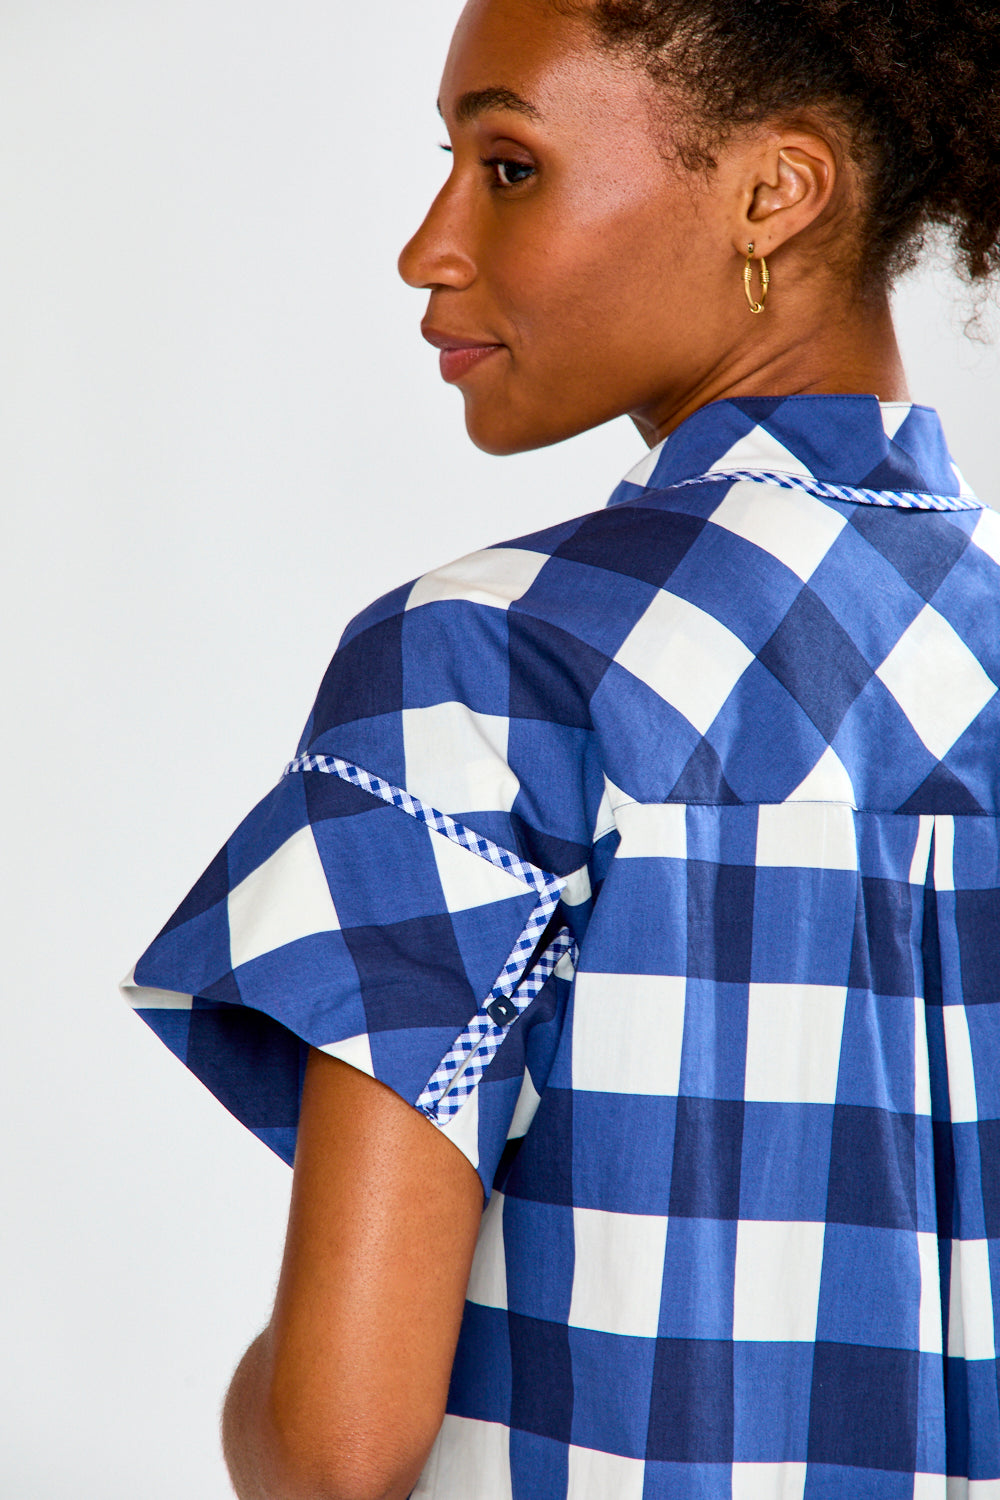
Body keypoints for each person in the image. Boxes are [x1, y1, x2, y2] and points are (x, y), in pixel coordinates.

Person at [122, 0, 1000, 1495]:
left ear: (773, 195)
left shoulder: (490, 660)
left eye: (508, 165)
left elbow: (338, 1447)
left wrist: (253, 1396)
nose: (427, 246)